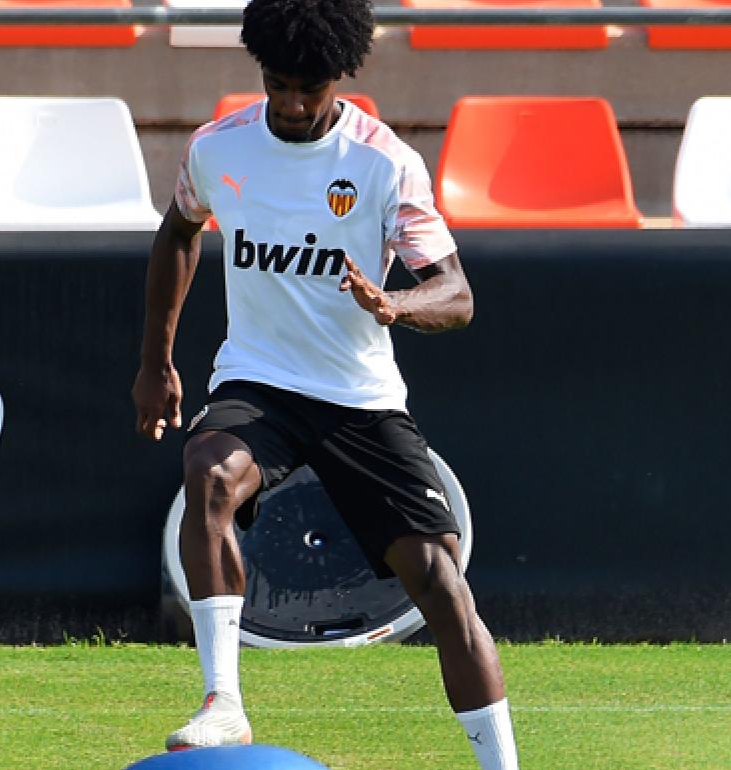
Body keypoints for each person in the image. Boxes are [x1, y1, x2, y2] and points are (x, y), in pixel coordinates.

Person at [130, 0, 520, 767]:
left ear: (340, 77)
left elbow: (457, 293)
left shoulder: (383, 164)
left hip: (359, 399)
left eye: (310, 88)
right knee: (208, 474)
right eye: (278, 85)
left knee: (442, 586)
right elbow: (179, 229)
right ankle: (223, 703)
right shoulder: (219, 148)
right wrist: (156, 361)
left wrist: (395, 302)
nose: (294, 104)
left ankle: (501, 764)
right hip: (260, 385)